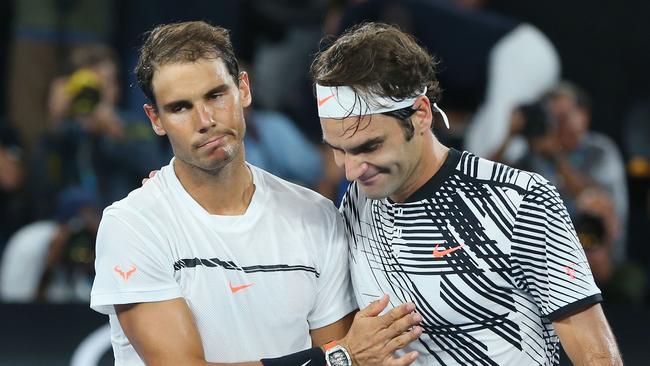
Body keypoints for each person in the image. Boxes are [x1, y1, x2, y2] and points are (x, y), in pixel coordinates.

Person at [90, 21, 422, 366]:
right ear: (155, 119)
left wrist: (339, 357)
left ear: (243, 90)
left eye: (216, 95)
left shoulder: (315, 216)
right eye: (180, 108)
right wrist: (339, 357)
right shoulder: (132, 225)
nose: (205, 120)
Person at [311, 22, 622, 365]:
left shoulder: (522, 201)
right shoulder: (358, 202)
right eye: (338, 150)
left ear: (420, 115)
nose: (352, 171)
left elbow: (596, 354)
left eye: (369, 146)